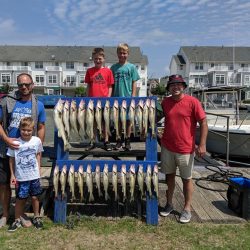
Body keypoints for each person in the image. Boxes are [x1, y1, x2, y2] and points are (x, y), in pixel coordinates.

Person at [159, 74, 208, 223]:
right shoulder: (165, 103)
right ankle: (168, 204)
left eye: (179, 84)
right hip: (167, 146)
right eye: (173, 85)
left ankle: (187, 208)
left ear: (183, 87)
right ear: (169, 88)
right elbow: (153, 117)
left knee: (187, 179)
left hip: (186, 148)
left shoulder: (193, 102)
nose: (176, 87)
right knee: (169, 177)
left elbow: (204, 123)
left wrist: (202, 144)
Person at [0, 73, 46, 228]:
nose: (24, 87)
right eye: (20, 85)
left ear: (32, 85)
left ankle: (21, 215)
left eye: (27, 84)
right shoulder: (7, 101)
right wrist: (7, 140)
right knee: (4, 184)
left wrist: (37, 147)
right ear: (17, 86)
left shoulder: (38, 104)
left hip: (26, 153)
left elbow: (41, 127)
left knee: (26, 184)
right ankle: (6, 214)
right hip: (7, 150)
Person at [7, 117, 44, 231]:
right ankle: (17, 220)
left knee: (35, 197)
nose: (26, 132)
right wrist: (13, 175)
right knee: (20, 199)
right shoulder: (15, 143)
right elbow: (11, 160)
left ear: (33, 129)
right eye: (24, 130)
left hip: (34, 176)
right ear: (20, 129)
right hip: (21, 177)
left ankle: (37, 217)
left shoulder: (37, 141)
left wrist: (38, 169)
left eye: (29, 130)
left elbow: (38, 155)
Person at [111, 43, 140, 151]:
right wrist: (111, 97)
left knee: (128, 121)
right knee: (117, 121)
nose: (122, 55)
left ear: (128, 54)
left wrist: (133, 96)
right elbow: (111, 84)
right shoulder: (113, 67)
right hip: (116, 98)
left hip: (128, 98)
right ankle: (118, 140)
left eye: (124, 53)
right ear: (117, 54)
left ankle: (127, 140)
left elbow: (134, 82)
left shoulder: (131, 67)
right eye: (120, 53)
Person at [84, 47, 114, 151]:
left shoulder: (108, 71)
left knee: (105, 122)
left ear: (103, 59)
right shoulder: (89, 71)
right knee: (93, 122)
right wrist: (87, 99)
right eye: (96, 58)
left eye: (100, 59)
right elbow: (88, 86)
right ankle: (93, 141)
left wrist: (108, 99)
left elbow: (110, 86)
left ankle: (106, 141)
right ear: (93, 59)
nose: (98, 60)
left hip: (104, 102)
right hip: (92, 102)